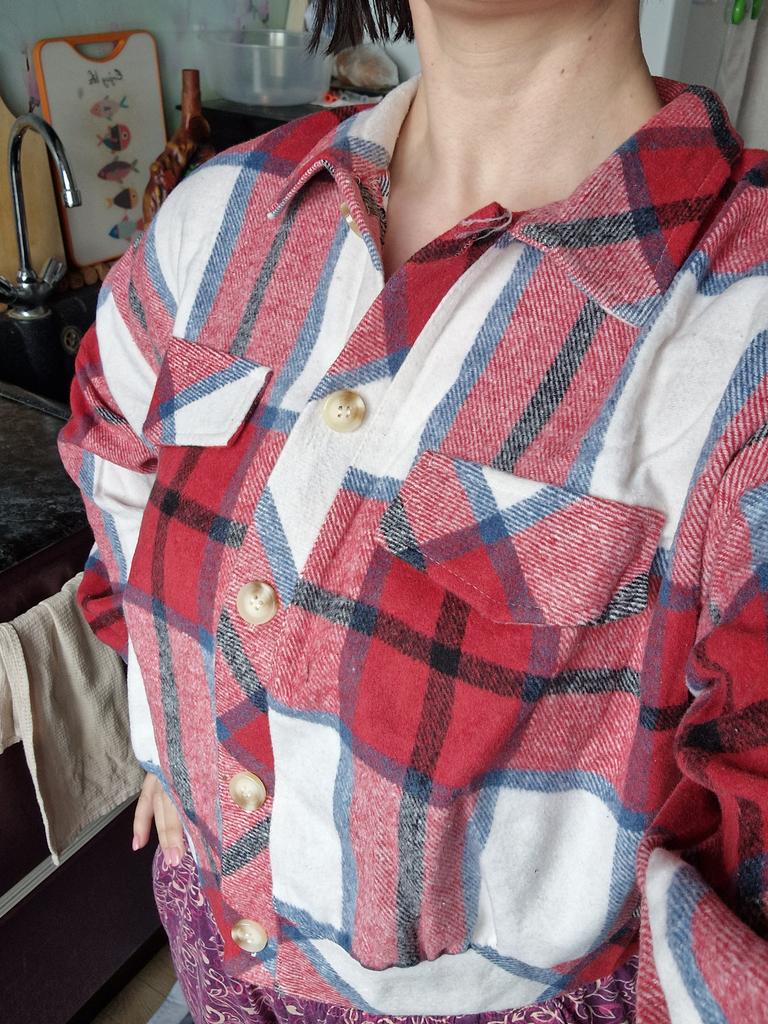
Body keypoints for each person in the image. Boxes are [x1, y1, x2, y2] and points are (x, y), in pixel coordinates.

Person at [59, 0, 768, 1021]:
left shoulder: (744, 330)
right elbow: (109, 442)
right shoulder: (221, 215)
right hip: (210, 942)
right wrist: (171, 729)